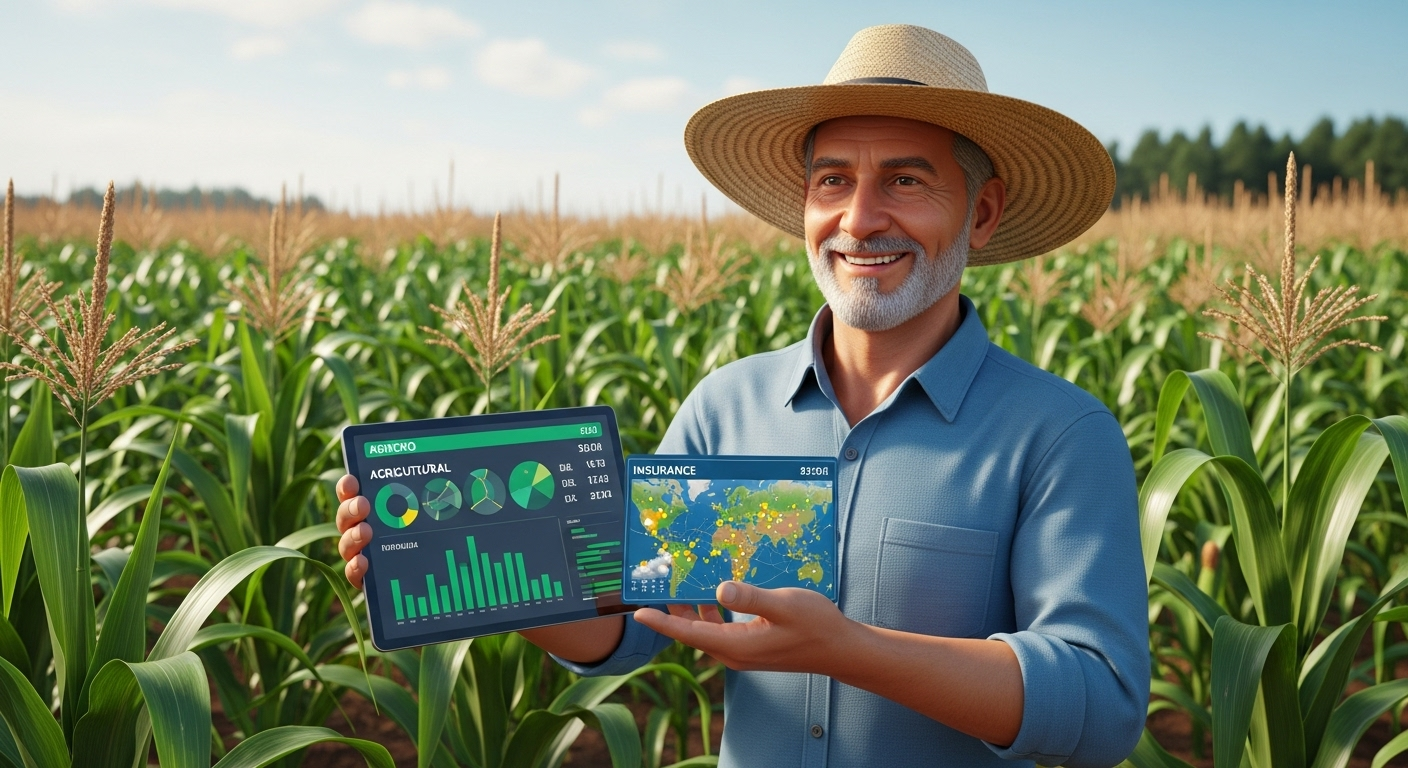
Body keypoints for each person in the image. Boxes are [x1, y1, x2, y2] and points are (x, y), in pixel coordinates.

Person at [335, 24, 1148, 768]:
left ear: (984, 213)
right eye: (833, 181)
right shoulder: (728, 406)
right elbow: (625, 623)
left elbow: (1102, 701)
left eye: (905, 180)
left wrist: (846, 648)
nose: (859, 220)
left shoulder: (1058, 434)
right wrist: (467, 564)